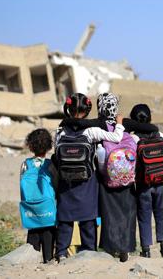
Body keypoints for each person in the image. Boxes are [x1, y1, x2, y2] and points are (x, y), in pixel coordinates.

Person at [53, 93, 125, 262]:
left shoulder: (60, 130)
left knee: (65, 217)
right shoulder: (92, 131)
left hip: (66, 182)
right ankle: (89, 251)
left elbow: (56, 154)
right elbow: (116, 138)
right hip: (87, 181)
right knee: (88, 217)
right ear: (87, 111)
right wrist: (120, 124)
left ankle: (61, 252)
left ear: (69, 109)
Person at [96, 93, 137, 262]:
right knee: (127, 215)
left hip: (108, 182)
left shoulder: (100, 130)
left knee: (109, 216)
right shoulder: (127, 130)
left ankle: (110, 249)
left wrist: (105, 174)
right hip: (128, 181)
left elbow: (99, 158)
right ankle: (125, 249)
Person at [127, 104, 163, 258]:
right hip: (161, 181)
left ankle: (146, 250)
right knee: (162, 213)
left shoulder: (133, 138)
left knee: (144, 215)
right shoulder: (160, 134)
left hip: (142, 184)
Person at [20, 128, 56, 263]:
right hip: (48, 211)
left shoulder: (25, 164)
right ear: (48, 146)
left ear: (30, 145)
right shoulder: (51, 164)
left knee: (32, 247)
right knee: (49, 239)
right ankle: (48, 261)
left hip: (31, 210)